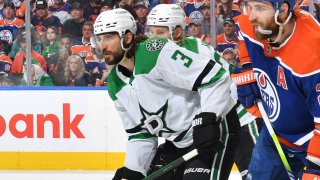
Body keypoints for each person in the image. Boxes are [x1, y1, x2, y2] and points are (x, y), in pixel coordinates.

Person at [94, 8, 238, 180]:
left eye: (109, 37)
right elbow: (140, 134)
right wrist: (133, 171)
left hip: (213, 131)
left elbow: (216, 77)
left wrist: (208, 118)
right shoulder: (114, 84)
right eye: (100, 38)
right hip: (177, 143)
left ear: (127, 37)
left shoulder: (152, 52)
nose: (102, 45)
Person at [147, 4, 261, 179]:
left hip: (239, 116)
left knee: (256, 174)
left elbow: (220, 84)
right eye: (151, 32)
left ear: (177, 32)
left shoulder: (193, 50)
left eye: (160, 33)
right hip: (206, 126)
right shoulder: (155, 57)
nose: (153, 39)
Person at [233, 0, 320, 179]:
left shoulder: (313, 53)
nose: (251, 16)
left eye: (260, 8)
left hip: (309, 146)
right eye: (249, 6)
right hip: (272, 136)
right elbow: (243, 35)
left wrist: (315, 166)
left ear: (283, 10)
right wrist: (248, 66)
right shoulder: (252, 22)